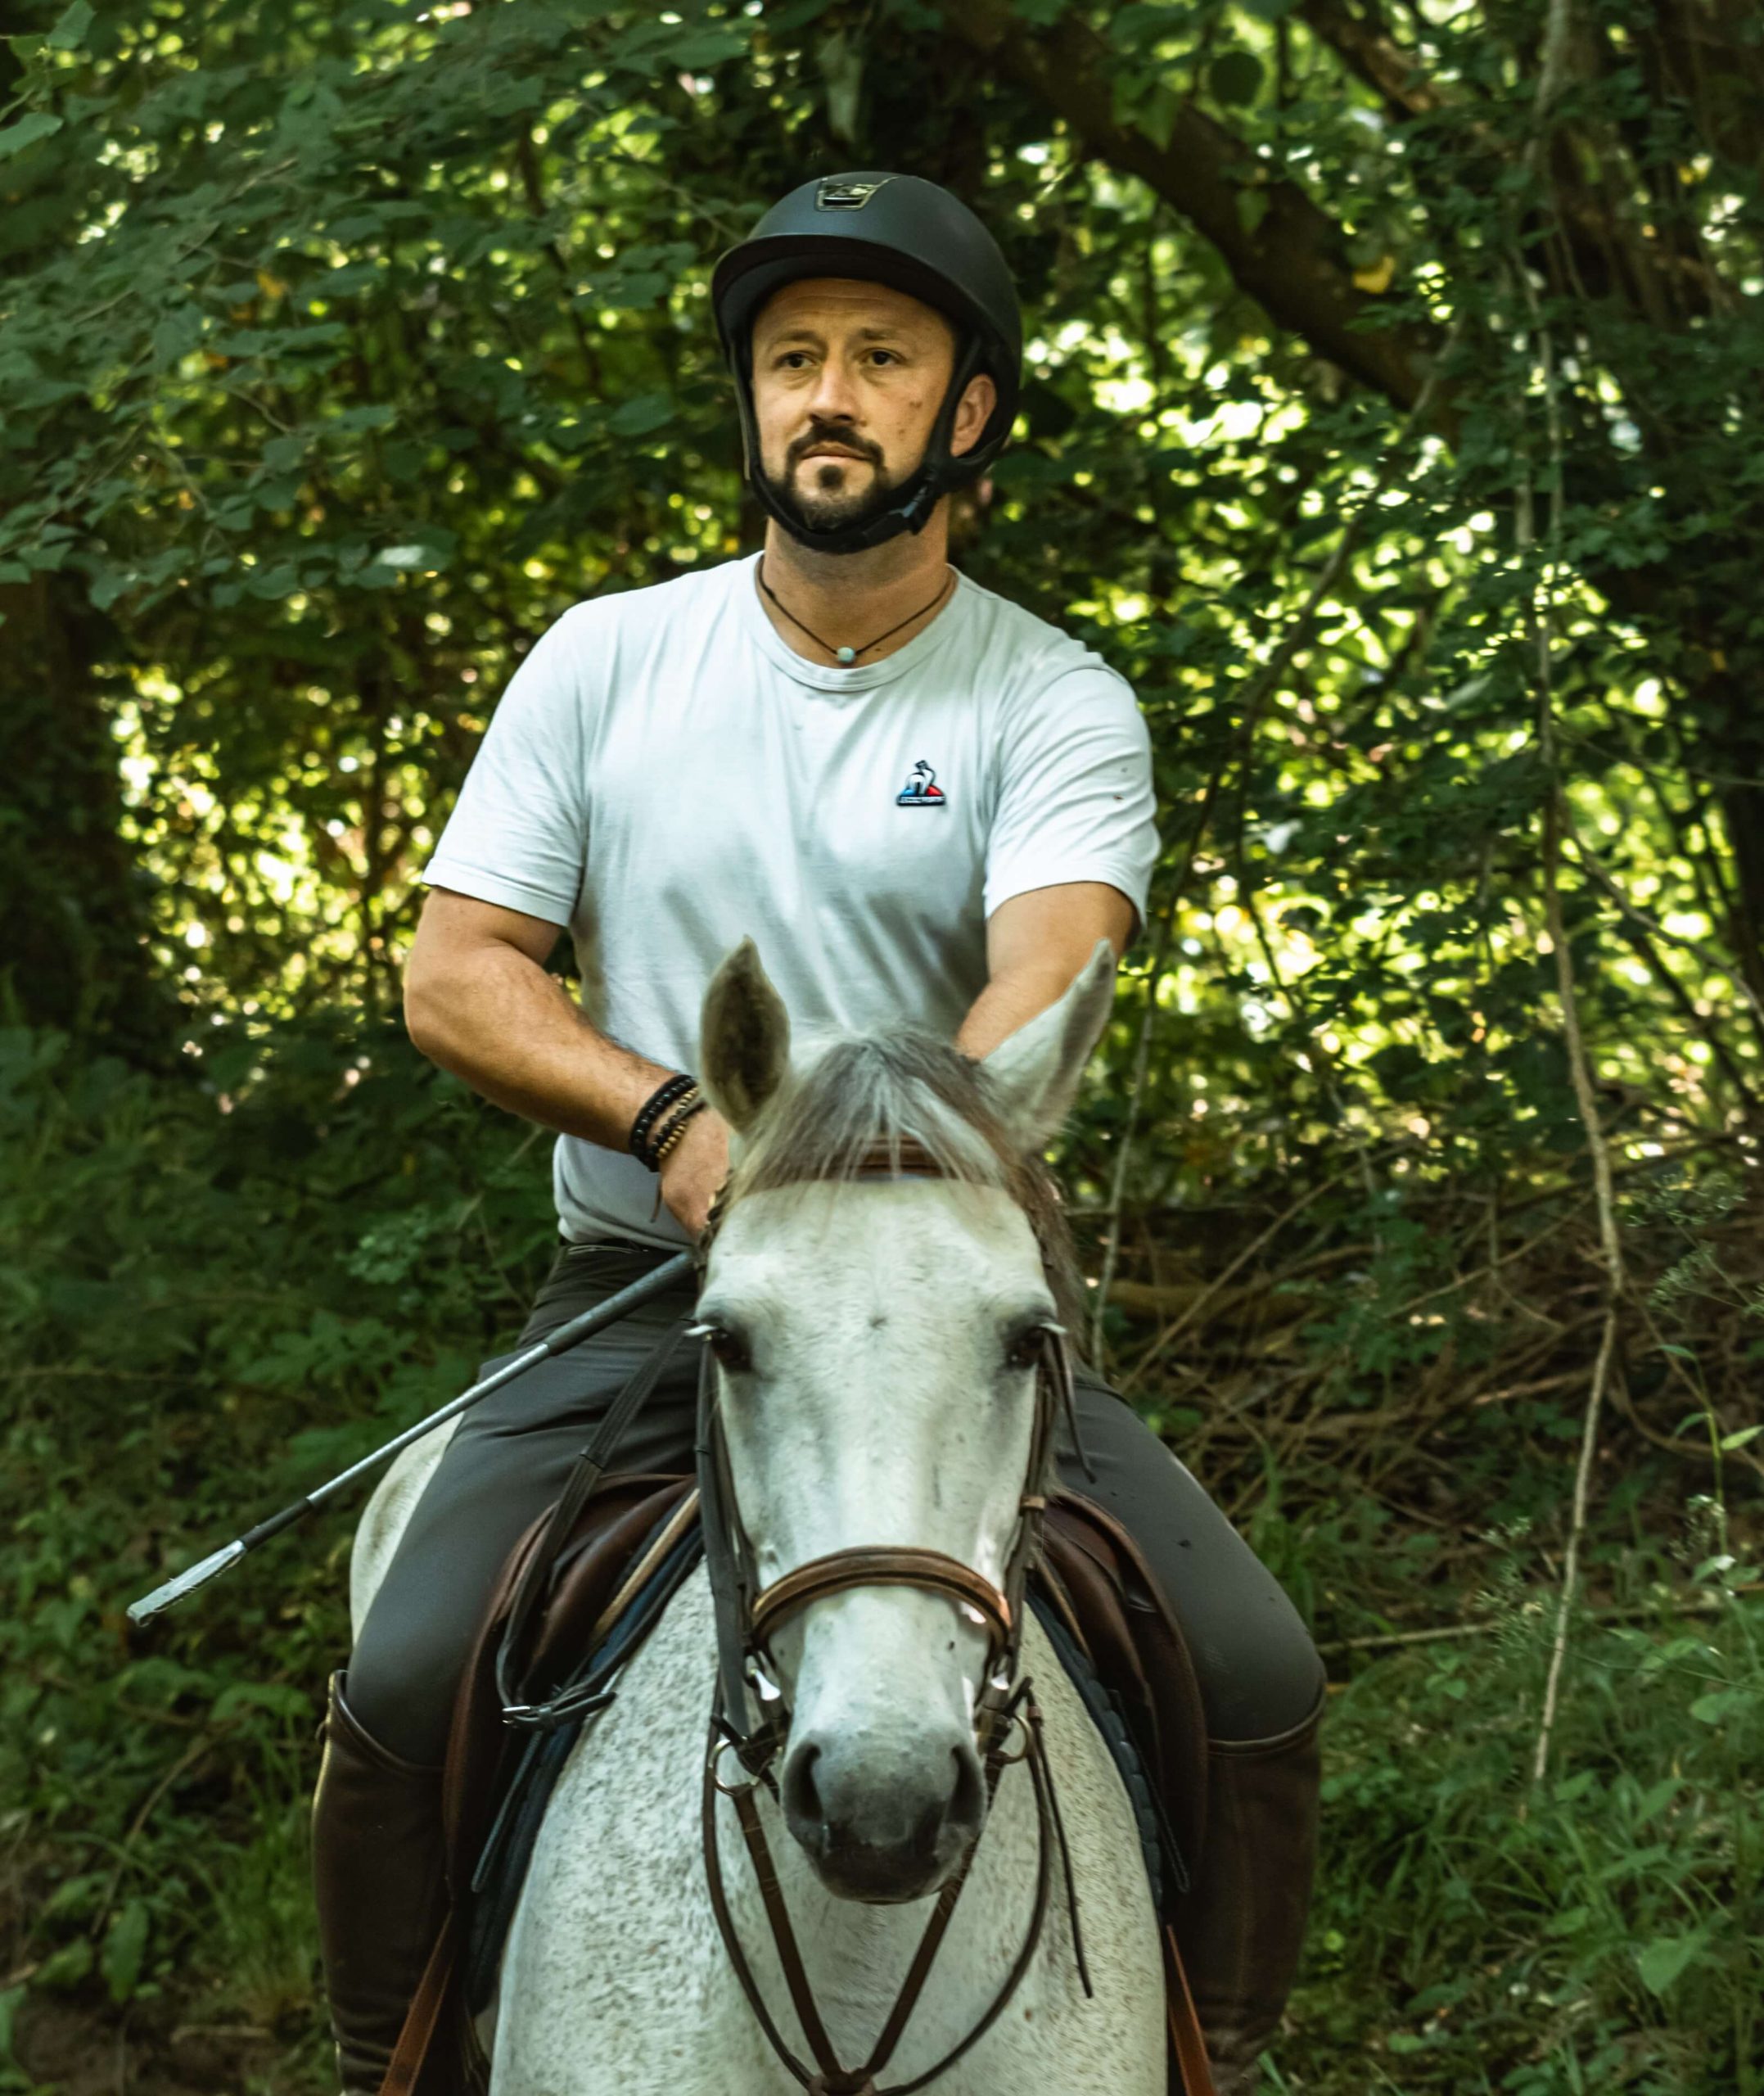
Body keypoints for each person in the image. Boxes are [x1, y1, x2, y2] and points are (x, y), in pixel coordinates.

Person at [310, 169, 1325, 2096]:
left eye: (880, 354)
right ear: (752, 404)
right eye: (792, 359)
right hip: (643, 1272)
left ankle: (1211, 2051)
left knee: (1252, 1667)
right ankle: (397, 2058)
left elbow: (1048, 965)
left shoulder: (1051, 696)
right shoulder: (607, 661)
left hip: (941, 1290)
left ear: (969, 409)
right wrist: (680, 1118)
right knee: (407, 1665)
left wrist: (870, 1185)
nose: (827, 394)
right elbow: (457, 975)